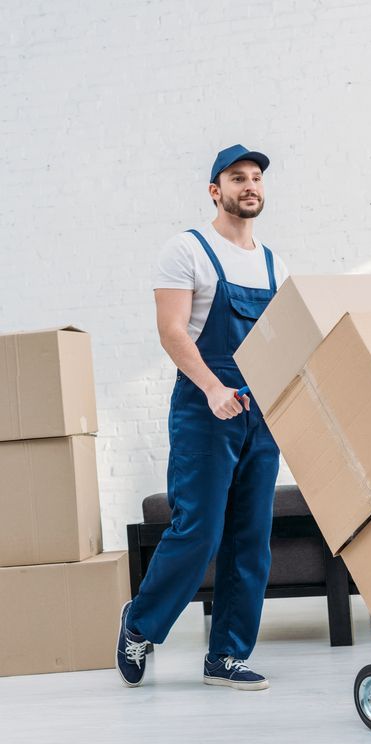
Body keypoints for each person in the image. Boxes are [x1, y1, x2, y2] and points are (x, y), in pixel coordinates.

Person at [115, 144, 288, 691]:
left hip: (259, 414)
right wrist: (214, 389)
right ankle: (139, 625)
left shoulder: (273, 264)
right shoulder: (186, 250)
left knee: (251, 537)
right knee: (199, 530)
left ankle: (227, 657)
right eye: (237, 178)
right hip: (203, 406)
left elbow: (279, 344)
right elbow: (171, 331)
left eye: (256, 177)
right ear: (216, 190)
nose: (250, 186)